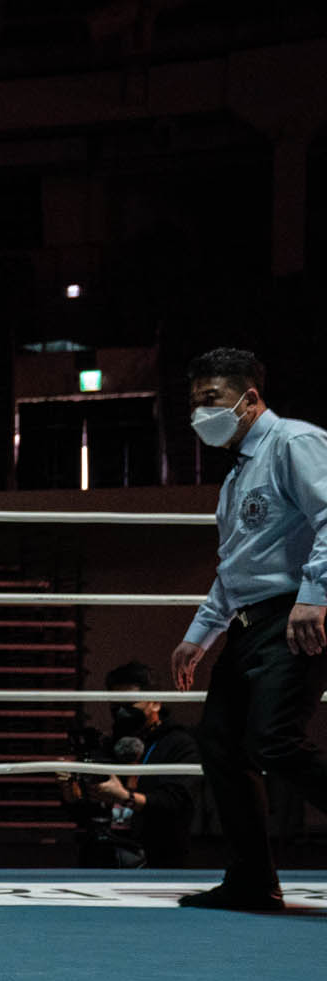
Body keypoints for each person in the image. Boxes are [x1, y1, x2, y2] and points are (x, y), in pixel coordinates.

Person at [170, 347, 327, 911]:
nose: (199, 414)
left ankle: (254, 879)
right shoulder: (236, 478)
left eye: (210, 399)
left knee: (276, 741)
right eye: (193, 404)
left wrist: (315, 596)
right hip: (249, 624)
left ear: (250, 397)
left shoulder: (294, 443)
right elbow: (236, 567)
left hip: (294, 617)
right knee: (220, 742)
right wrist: (199, 634)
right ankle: (252, 880)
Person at [57, 660, 200, 869]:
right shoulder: (108, 744)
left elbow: (177, 804)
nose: (122, 712)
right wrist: (70, 791)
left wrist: (125, 797)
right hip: (103, 859)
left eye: (130, 704)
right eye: (115, 705)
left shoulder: (179, 744)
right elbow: (86, 815)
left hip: (159, 859)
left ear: (155, 703)